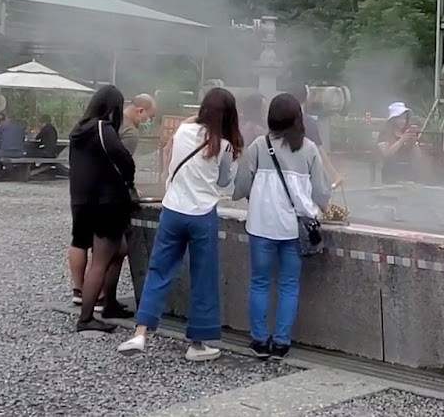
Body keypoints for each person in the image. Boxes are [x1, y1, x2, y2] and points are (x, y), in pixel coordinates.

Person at [119, 87, 243, 361]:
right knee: (203, 277)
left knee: (158, 270)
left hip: (172, 210)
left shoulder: (183, 132)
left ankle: (140, 333)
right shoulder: (222, 145)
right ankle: (197, 344)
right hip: (201, 215)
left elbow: (186, 130)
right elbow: (223, 183)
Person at [232, 92, 332, 360]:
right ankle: (281, 342)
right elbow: (322, 193)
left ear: (271, 118)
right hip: (293, 228)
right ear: (297, 119)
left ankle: (259, 340)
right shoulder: (308, 148)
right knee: (289, 284)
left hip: (261, 225)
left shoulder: (257, 146)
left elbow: (241, 185)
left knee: (259, 282)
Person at [68, 84, 137, 332]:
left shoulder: (80, 129)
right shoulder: (102, 128)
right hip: (106, 202)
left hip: (83, 200)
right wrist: (128, 180)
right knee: (100, 260)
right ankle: (86, 317)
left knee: (120, 250)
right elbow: (123, 158)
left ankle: (110, 303)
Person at [376, 102, 419, 184]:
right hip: (391, 173)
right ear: (393, 119)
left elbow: (418, 156)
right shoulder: (384, 134)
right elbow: (386, 153)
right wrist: (401, 140)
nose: (403, 121)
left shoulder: (408, 133)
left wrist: (414, 143)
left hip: (408, 173)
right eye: (400, 118)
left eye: (404, 118)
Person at [0, 113, 27, 179]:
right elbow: (23, 139)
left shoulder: (3, 126)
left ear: (7, 118)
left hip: (6, 152)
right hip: (19, 153)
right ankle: (13, 173)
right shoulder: (21, 126)